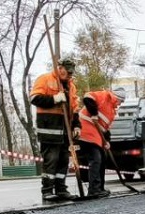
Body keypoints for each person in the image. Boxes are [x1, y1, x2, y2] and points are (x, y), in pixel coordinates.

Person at [30, 57, 79, 203]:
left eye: (71, 73)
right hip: (49, 129)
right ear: (60, 68)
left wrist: (76, 125)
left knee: (63, 160)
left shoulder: (71, 86)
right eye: (67, 72)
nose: (69, 75)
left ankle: (61, 189)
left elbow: (75, 108)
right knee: (51, 159)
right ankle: (47, 190)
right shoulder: (45, 79)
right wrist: (55, 99)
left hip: (65, 130)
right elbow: (34, 99)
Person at [77, 87, 127, 198]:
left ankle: (100, 188)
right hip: (86, 131)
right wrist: (93, 112)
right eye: (121, 101)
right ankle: (94, 189)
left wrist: (107, 141)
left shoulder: (112, 112)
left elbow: (105, 129)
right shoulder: (105, 96)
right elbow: (87, 97)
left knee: (102, 159)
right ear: (117, 97)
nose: (120, 104)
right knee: (96, 159)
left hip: (97, 136)